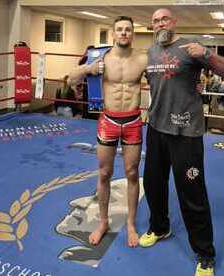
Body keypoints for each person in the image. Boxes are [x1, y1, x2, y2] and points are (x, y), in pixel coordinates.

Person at [138, 8, 224, 276]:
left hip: (186, 133)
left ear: (174, 22)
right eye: (155, 20)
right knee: (153, 185)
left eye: (164, 19)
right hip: (156, 129)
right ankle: (160, 227)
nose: (159, 23)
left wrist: (206, 54)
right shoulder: (149, 53)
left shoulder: (189, 46)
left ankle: (205, 254)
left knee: (192, 192)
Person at [68, 16, 147, 247]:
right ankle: (103, 221)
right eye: (120, 29)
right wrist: (89, 68)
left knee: (132, 173)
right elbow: (71, 78)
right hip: (108, 121)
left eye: (128, 30)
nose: (124, 33)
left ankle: (131, 223)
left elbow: (163, 79)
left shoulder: (142, 59)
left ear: (133, 33)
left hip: (132, 121)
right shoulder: (99, 58)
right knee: (104, 173)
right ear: (113, 33)